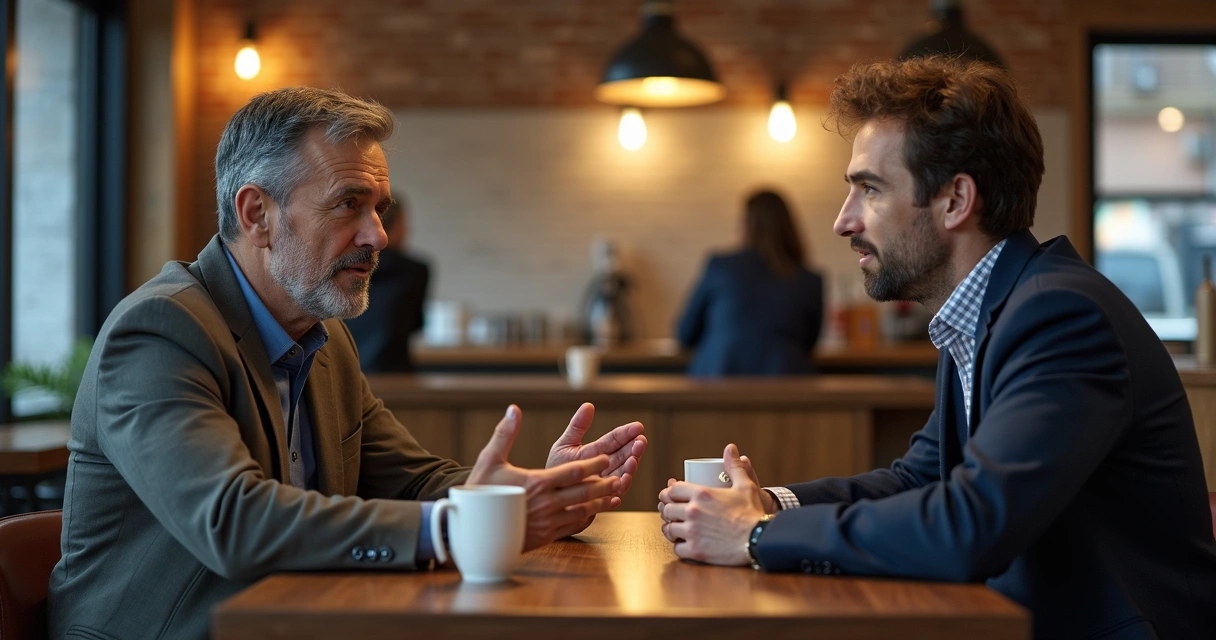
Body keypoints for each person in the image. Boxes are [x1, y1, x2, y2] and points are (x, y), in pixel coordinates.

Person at [48, 87, 648, 640]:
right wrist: (454, 531)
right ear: (257, 214)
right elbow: (233, 519)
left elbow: (414, 482)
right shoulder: (161, 331)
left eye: (379, 208)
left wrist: (532, 497)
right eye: (348, 205)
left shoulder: (324, 339)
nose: (379, 236)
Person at [659, 56, 1216, 639]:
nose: (842, 222)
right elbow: (917, 481)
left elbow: (972, 525)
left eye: (869, 190)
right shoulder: (990, 310)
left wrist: (753, 537)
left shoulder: (1060, 316)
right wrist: (769, 505)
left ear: (955, 201)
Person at [676, 190, 824, 376]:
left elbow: (685, 333)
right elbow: (809, 342)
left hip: (717, 383)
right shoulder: (809, 279)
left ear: (747, 224)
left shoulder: (721, 267)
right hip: (785, 385)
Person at [344, 193, 430, 372]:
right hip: (393, 372)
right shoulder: (414, 270)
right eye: (404, 225)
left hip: (346, 369)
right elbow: (416, 325)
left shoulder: (344, 264)